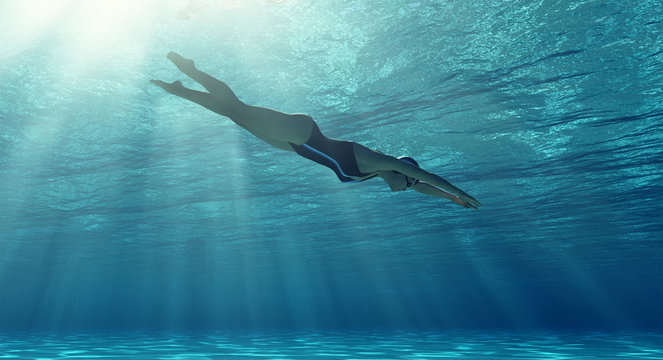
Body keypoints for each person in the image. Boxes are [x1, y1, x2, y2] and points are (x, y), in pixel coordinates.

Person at [151, 52, 482, 209]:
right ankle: (192, 70)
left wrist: (452, 200)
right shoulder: (376, 162)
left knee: (234, 116)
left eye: (409, 183)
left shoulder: (382, 176)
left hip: (297, 146)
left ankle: (180, 89)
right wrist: (462, 191)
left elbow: (423, 186)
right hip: (304, 132)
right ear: (402, 166)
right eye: (409, 178)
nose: (407, 186)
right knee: (239, 108)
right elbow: (426, 178)